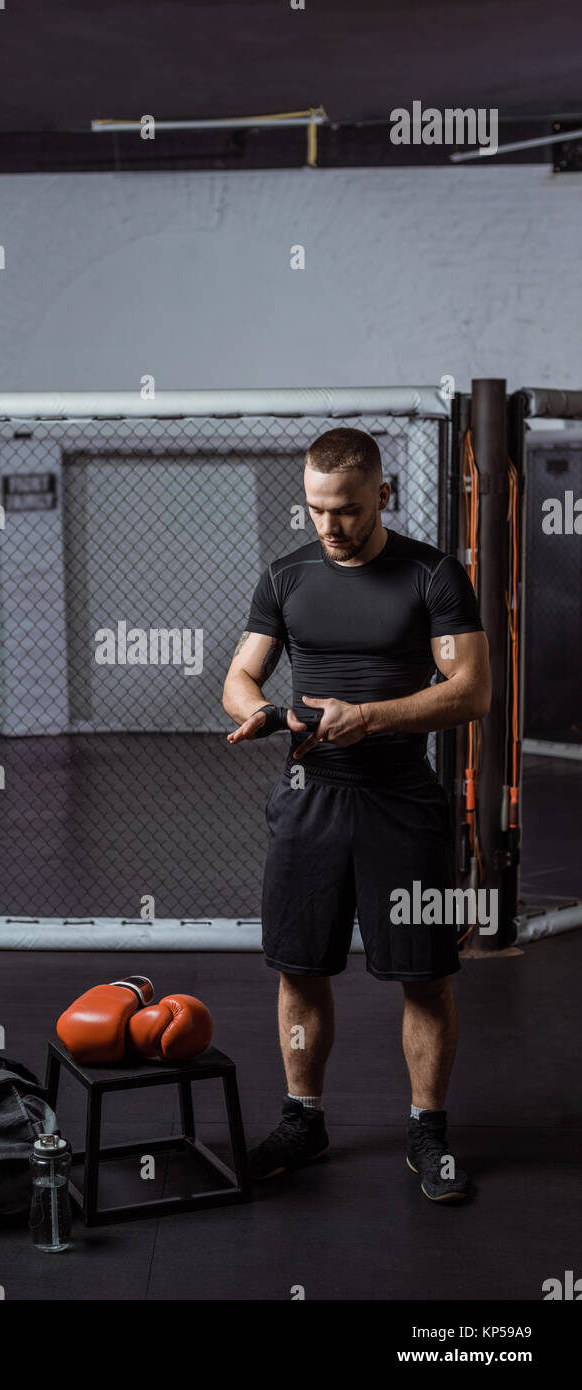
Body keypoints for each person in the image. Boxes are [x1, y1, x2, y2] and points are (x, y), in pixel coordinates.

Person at [222, 427, 490, 1203]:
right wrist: (265, 712)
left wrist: (369, 717)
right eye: (314, 509)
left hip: (400, 803)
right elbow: (241, 673)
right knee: (299, 968)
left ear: (382, 494)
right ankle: (303, 1120)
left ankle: (427, 1133)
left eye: (344, 510)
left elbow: (470, 691)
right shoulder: (286, 575)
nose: (329, 526)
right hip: (308, 802)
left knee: (424, 976)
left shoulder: (431, 575)